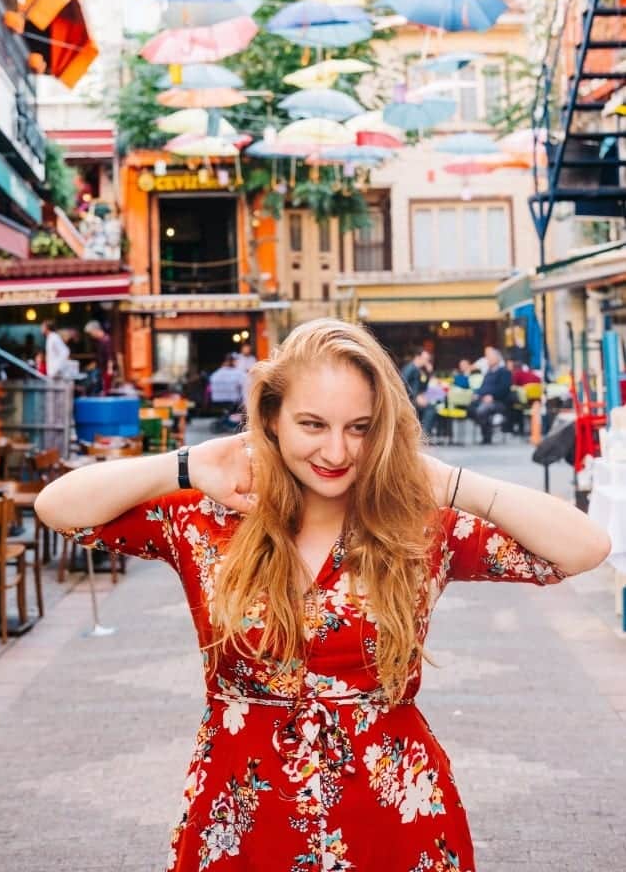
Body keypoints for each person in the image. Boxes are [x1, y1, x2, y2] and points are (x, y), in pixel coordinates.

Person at [34, 319, 611, 872]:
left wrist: (453, 484)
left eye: (359, 428)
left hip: (395, 821)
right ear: (271, 417)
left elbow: (583, 548)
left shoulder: (417, 527)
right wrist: (185, 465)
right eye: (313, 424)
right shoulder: (208, 518)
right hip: (241, 822)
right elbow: (58, 509)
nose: (337, 452)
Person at [468, 346, 513, 444]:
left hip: (498, 401)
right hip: (483, 399)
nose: (488, 359)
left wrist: (492, 397)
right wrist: (477, 394)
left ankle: (487, 436)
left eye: (490, 357)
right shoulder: (488, 373)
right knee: (469, 408)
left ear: (497, 358)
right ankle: (489, 424)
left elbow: (504, 389)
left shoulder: (504, 372)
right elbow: (482, 388)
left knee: (482, 410)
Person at [400, 348, 437, 437]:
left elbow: (424, 386)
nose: (426, 362)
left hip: (416, 397)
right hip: (408, 399)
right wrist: (416, 397)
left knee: (433, 405)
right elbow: (403, 384)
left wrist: (430, 372)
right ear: (418, 357)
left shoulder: (419, 370)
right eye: (425, 359)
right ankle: (423, 435)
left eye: (428, 360)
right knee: (430, 409)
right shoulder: (410, 368)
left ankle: (424, 433)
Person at [84, 319, 114, 394]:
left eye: (91, 333)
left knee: (105, 390)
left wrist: (110, 370)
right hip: (101, 369)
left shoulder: (106, 340)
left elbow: (110, 356)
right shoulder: (99, 341)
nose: (91, 335)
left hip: (106, 371)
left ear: (95, 330)